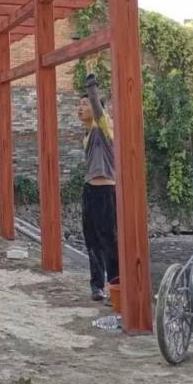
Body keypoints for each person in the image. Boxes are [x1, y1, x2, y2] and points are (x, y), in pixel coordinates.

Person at [76, 72, 119, 302]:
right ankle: (97, 286)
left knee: (109, 241)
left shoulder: (104, 127)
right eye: (79, 104)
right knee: (91, 239)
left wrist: (91, 86)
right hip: (90, 190)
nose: (80, 108)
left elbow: (97, 107)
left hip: (106, 192)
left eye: (84, 105)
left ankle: (116, 286)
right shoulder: (87, 134)